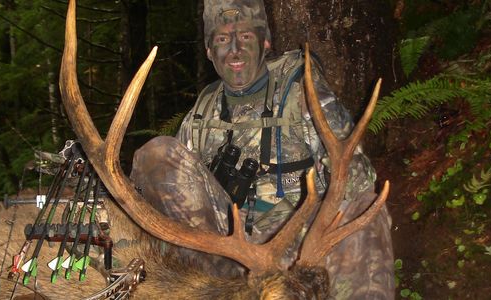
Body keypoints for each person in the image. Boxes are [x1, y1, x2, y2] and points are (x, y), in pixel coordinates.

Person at [130, 0, 394, 298]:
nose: (234, 49)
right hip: (226, 256)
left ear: (265, 41)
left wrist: (306, 217)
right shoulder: (201, 113)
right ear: (209, 52)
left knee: (366, 208)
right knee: (157, 155)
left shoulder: (301, 92)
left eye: (244, 36)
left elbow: (358, 179)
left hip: (299, 249)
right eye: (221, 39)